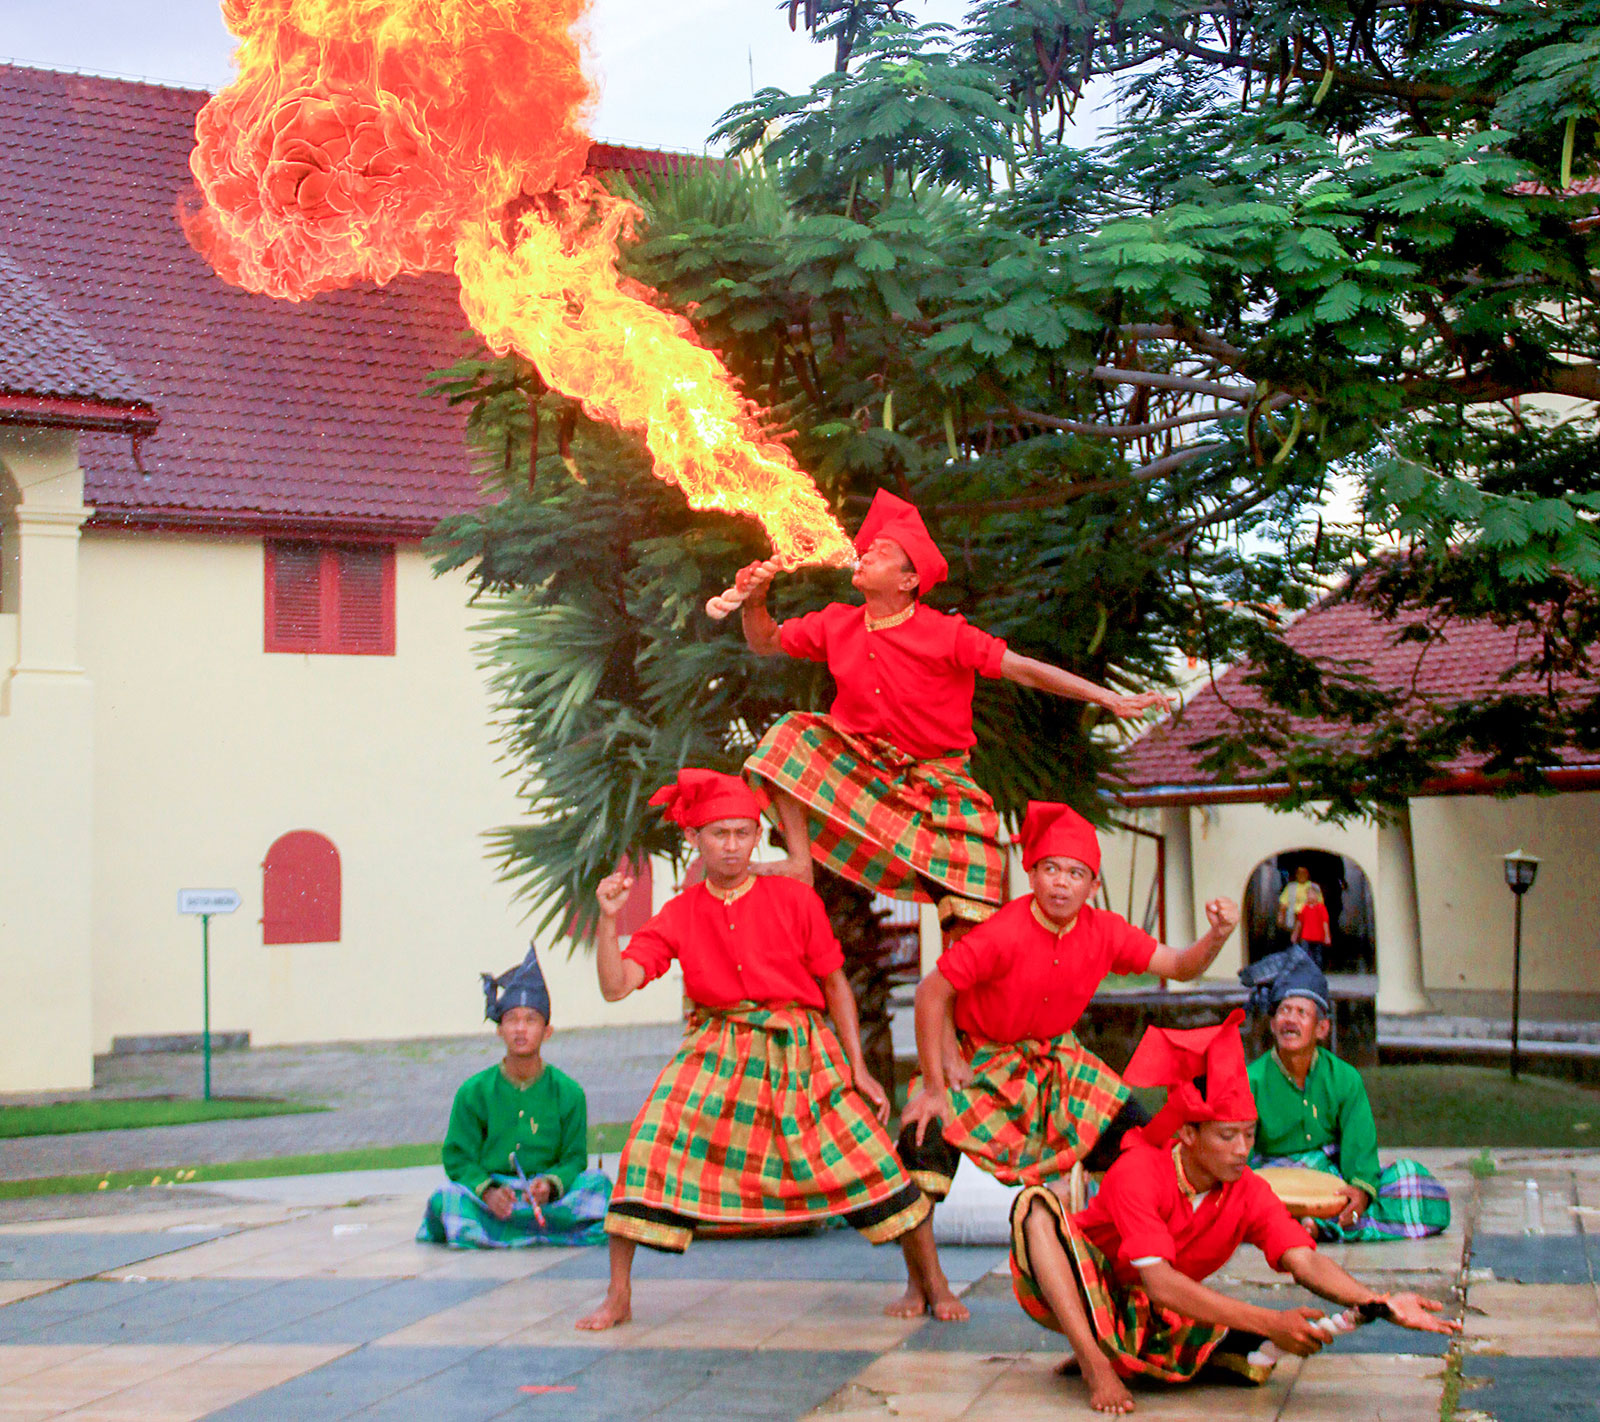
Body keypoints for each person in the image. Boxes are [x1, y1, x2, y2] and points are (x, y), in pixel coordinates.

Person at [575, 768, 949, 1332]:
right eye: (719, 834)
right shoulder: (679, 911)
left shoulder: (794, 898)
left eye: (743, 833)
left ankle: (932, 1281)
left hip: (801, 1046)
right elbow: (616, 985)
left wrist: (858, 1068)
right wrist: (609, 922)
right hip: (716, 1046)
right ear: (694, 838)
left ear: (757, 836)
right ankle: (618, 1294)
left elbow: (835, 984)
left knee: (870, 1155)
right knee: (649, 1144)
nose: (732, 846)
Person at [736, 489, 1168, 940]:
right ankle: (799, 862)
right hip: (865, 767)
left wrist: (1108, 698)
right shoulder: (835, 622)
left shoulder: (947, 634)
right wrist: (754, 601)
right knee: (790, 734)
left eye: (882, 552)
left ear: (908, 580)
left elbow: (1025, 669)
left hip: (940, 781)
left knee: (970, 922)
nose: (865, 555)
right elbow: (764, 641)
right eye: (868, 549)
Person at [1007, 1011, 1458, 1415]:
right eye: (1227, 1136)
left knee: (1249, 1359)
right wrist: (1268, 1321)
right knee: (1034, 1206)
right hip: (1069, 1285)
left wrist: (1377, 1302)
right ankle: (1094, 1362)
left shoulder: (1248, 1190)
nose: (1243, 1149)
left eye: (1249, 1134)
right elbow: (1161, 1282)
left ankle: (1118, 1345)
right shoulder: (1139, 1171)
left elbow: (1303, 1260)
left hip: (1143, 1307)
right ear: (1188, 1133)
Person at [897, 800, 1240, 1216]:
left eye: (1075, 873)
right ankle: (926, 1264)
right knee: (921, 1145)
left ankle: (1115, 1242)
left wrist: (1217, 936)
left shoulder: (1107, 932)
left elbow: (1181, 966)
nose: (1061, 883)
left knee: (1140, 1144)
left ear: (1093, 886)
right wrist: (935, 1085)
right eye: (1051, 869)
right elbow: (930, 992)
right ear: (1032, 875)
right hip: (979, 1057)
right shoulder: (1002, 932)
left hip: (1058, 1058)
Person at [1240, 947, 1451, 1242]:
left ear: (1321, 1028)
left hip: (1331, 1177)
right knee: (1250, 1202)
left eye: (1301, 1013)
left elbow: (1359, 1145)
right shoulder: (1251, 1080)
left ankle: (1316, 1225)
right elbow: (1240, 1153)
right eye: (1284, 1011)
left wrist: (1361, 1191)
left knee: (1416, 1185)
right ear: (1273, 1024)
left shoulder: (1345, 1078)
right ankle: (1323, 1227)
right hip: (1274, 1178)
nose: (1290, 1020)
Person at [418, 945, 611, 1249]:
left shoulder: (569, 1092)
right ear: (500, 1031)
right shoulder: (474, 1091)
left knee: (599, 1186)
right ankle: (544, 1231)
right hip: (494, 1197)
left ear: (547, 1031)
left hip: (547, 1198)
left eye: (531, 1020)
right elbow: (458, 1158)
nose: (521, 1029)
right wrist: (488, 1191)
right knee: (447, 1198)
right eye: (511, 1019)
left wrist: (550, 1185)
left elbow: (574, 1159)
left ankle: (495, 1233)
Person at [1291, 883, 1331, 966]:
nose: (1309, 896)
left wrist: (1327, 936)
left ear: (1317, 895)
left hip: (1318, 937)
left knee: (1318, 956)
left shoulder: (1321, 908)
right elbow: (1299, 922)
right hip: (1306, 937)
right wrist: (1295, 934)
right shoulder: (1305, 908)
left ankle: (1317, 970)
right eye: (1308, 894)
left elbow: (1325, 922)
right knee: (1305, 955)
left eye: (1311, 894)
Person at [1277, 865, 1314, 935]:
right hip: (1293, 920)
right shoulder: (1290, 887)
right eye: (1299, 873)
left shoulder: (1314, 887)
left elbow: (1320, 906)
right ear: (1296, 875)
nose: (1302, 875)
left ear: (1308, 874)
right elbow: (1282, 906)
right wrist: (1281, 920)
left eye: (1304, 873)